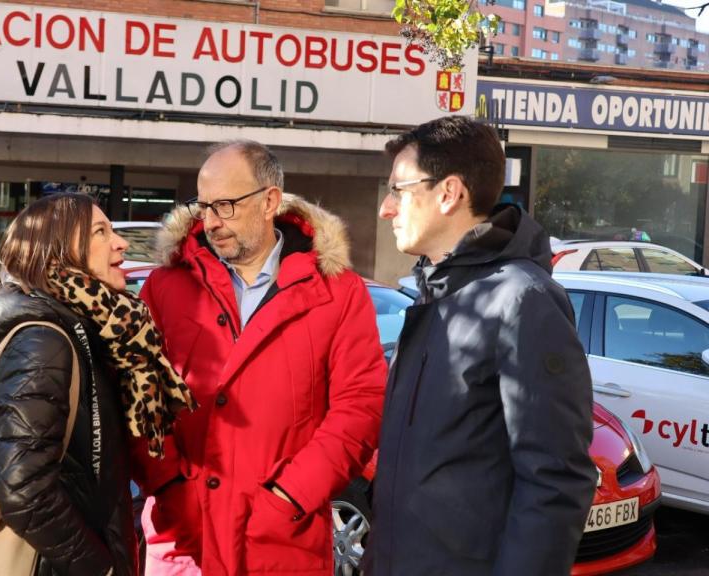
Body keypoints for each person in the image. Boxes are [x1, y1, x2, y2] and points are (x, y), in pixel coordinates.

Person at [135, 140, 387, 575]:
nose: (211, 222)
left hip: (282, 542)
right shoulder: (165, 286)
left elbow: (361, 405)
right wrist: (170, 483)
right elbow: (139, 394)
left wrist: (289, 496)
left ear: (270, 200)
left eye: (226, 205)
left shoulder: (337, 291)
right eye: (204, 206)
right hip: (183, 540)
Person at [366, 116, 596, 575]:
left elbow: (556, 480)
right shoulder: (436, 294)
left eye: (399, 190)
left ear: (449, 193)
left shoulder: (522, 301)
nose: (386, 209)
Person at [0, 193, 196, 576]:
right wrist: (98, 567)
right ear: (58, 253)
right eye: (101, 232)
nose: (120, 242)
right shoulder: (45, 343)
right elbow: (25, 491)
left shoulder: (88, 329)